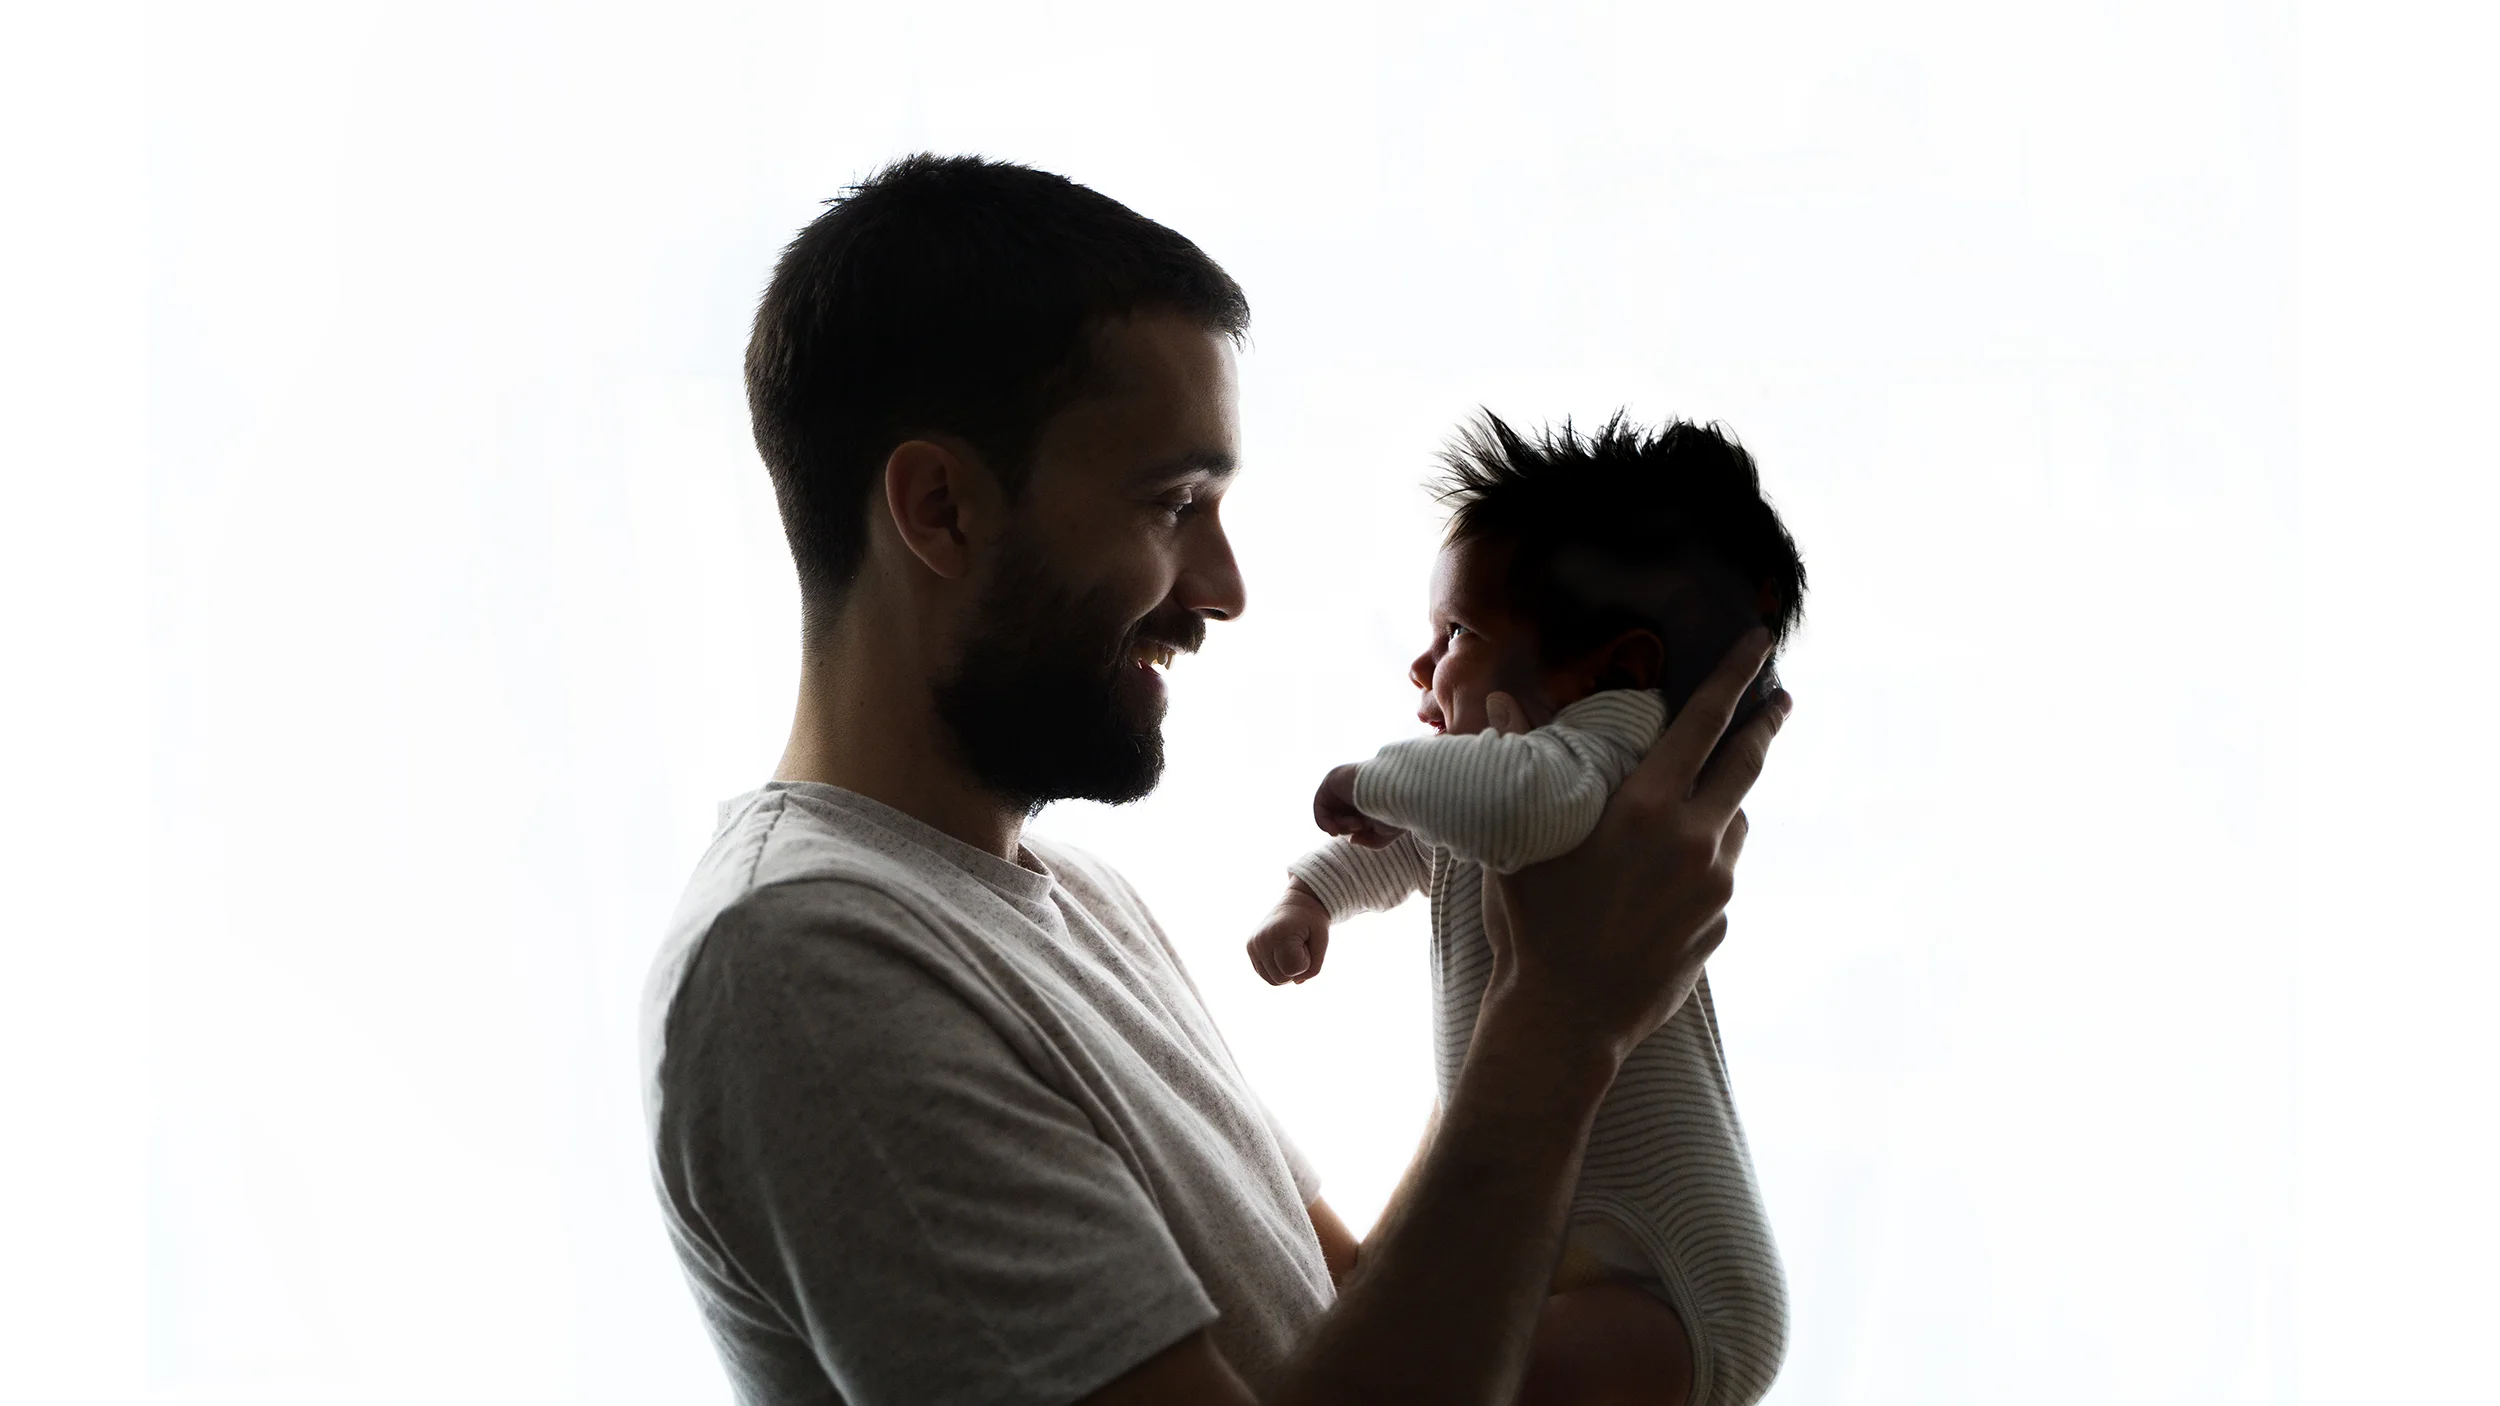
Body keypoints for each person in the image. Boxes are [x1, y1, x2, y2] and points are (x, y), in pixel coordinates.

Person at [639, 153, 1792, 1406]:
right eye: (1173, 504)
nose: (1226, 589)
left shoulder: (1074, 899)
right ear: (942, 509)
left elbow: (1360, 1326)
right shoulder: (807, 959)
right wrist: (1561, 1022)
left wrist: (1537, 960)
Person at [1246, 413, 1807, 1406]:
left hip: (1667, 1288)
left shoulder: (1599, 758)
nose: (1421, 665)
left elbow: (1497, 804)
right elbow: (1408, 846)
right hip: (1589, 1261)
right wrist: (1314, 893)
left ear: (1616, 672)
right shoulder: (1509, 786)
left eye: (1457, 634)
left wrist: (1364, 779)